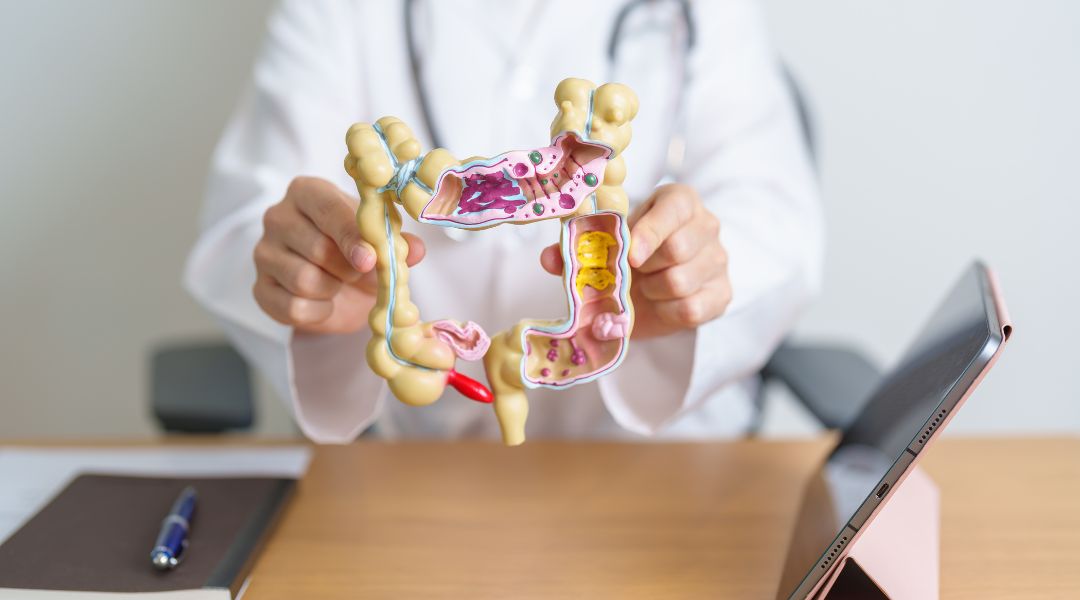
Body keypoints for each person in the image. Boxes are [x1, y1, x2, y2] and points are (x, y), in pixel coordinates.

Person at [184, 0, 823, 443]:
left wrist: (701, 270)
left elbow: (777, 223)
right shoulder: (337, 11)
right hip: (411, 467)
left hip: (661, 471)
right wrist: (304, 273)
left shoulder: (705, 13)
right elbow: (251, 219)